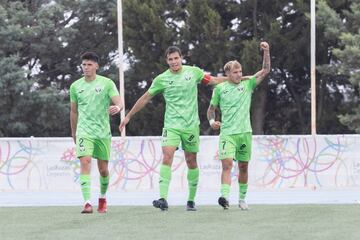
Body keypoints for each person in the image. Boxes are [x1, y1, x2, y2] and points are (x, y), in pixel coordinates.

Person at [119, 46, 227, 211]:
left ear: (181, 58)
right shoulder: (161, 79)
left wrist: (235, 79)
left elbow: (212, 80)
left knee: (191, 161)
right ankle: (163, 198)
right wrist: (128, 116)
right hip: (171, 126)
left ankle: (191, 200)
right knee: (167, 155)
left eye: (176, 58)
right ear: (167, 61)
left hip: (191, 126)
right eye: (170, 59)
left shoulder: (194, 72)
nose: (174, 62)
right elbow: (146, 97)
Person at [207, 42, 271, 210]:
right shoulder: (220, 89)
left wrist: (266, 51)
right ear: (227, 73)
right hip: (227, 133)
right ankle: (225, 197)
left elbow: (265, 70)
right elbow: (211, 110)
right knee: (227, 164)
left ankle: (242, 199)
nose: (239, 74)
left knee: (243, 167)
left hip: (245, 133)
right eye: (235, 72)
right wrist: (212, 122)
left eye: (240, 71)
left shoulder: (247, 84)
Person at [70, 52, 123, 214]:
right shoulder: (75, 86)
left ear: (96, 66)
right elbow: (73, 112)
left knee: (103, 170)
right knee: (85, 162)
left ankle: (102, 197)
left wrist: (118, 108)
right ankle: (87, 203)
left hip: (102, 133)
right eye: (84, 64)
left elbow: (119, 102)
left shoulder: (107, 83)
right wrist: (74, 133)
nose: (86, 67)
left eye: (89, 64)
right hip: (84, 131)